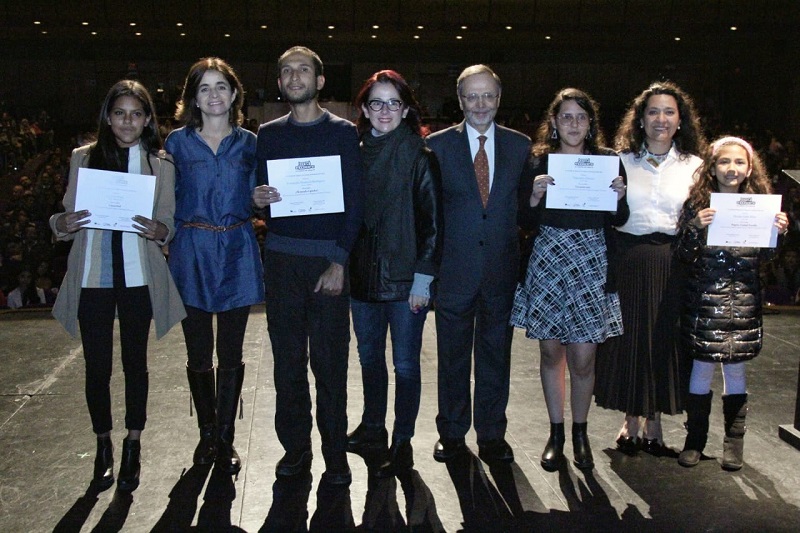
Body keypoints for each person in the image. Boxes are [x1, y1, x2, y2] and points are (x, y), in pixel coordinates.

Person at [49, 80, 186, 491]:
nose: (128, 121)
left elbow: (169, 223)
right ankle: (103, 445)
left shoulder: (161, 165)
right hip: (92, 276)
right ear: (108, 118)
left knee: (135, 365)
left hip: (138, 276)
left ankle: (133, 444)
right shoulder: (82, 157)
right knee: (97, 368)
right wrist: (61, 223)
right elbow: (65, 217)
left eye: (136, 114)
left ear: (147, 121)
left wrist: (161, 230)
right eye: (120, 113)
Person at [252, 46, 364, 485]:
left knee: (331, 366)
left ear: (319, 81)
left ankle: (335, 454)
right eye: (286, 71)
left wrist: (338, 261)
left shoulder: (343, 133)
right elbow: (262, 196)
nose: (294, 77)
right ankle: (296, 450)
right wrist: (257, 198)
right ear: (280, 82)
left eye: (303, 70)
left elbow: (355, 204)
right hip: (282, 261)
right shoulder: (267, 134)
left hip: (327, 263)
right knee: (288, 364)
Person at [511, 88, 629, 471]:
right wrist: (533, 197)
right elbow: (524, 220)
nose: (574, 124)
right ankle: (556, 432)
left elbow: (620, 218)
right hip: (549, 258)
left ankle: (581, 431)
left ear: (591, 123)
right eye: (566, 116)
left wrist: (619, 197)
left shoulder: (608, 161)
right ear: (554, 122)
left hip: (591, 260)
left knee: (582, 357)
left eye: (581, 117)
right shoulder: (538, 161)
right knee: (551, 352)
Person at [595, 81, 706, 455]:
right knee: (630, 340)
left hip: (674, 262)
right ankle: (631, 418)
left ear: (680, 120)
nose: (661, 119)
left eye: (669, 112)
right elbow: (605, 213)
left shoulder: (695, 166)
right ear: (640, 119)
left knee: (663, 341)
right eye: (653, 112)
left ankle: (654, 418)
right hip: (628, 258)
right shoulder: (620, 162)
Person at [426, 64, 531, 464]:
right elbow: (428, 213)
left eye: (488, 95)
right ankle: (452, 433)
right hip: (454, 271)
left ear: (499, 99)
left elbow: (526, 212)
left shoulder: (520, 147)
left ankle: (491, 434)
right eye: (473, 96)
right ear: (460, 100)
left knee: (495, 357)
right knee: (452, 358)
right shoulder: (436, 146)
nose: (481, 104)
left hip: (501, 272)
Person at [166, 58, 263, 475]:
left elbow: (260, 195)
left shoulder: (251, 143)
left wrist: (262, 199)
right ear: (192, 97)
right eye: (204, 88)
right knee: (198, 351)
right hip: (192, 251)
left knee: (232, 351)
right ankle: (206, 433)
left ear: (234, 93)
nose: (214, 95)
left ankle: (225, 436)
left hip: (237, 248)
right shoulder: (176, 143)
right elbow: (164, 199)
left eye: (221, 86)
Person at [345, 70, 442, 477]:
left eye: (393, 103)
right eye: (377, 103)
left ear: (405, 110)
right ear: (365, 110)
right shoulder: (352, 154)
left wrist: (423, 281)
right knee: (369, 360)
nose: (385, 111)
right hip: (362, 278)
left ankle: (402, 439)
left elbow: (434, 226)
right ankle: (373, 427)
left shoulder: (420, 156)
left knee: (405, 365)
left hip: (405, 283)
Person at [675, 136, 789, 470]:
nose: (732, 168)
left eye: (739, 162)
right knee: (701, 370)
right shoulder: (697, 206)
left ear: (750, 169)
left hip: (743, 304)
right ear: (712, 168)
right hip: (705, 305)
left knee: (736, 370)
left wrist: (778, 233)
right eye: (724, 161)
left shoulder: (761, 207)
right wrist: (696, 227)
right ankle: (695, 440)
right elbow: (683, 255)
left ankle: (734, 442)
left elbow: (766, 258)